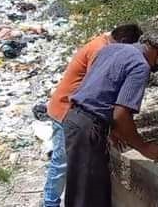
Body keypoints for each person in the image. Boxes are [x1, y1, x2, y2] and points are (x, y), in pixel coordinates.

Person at [63, 27, 158, 207]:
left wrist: (112, 127)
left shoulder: (110, 49)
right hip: (88, 129)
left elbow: (100, 89)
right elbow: (121, 113)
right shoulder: (140, 65)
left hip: (74, 119)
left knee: (82, 192)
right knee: (87, 198)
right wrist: (143, 147)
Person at [42, 24, 143, 207]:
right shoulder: (101, 50)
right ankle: (49, 204)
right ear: (124, 43)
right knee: (62, 163)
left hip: (70, 108)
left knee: (69, 164)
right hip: (66, 108)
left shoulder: (102, 44)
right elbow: (98, 90)